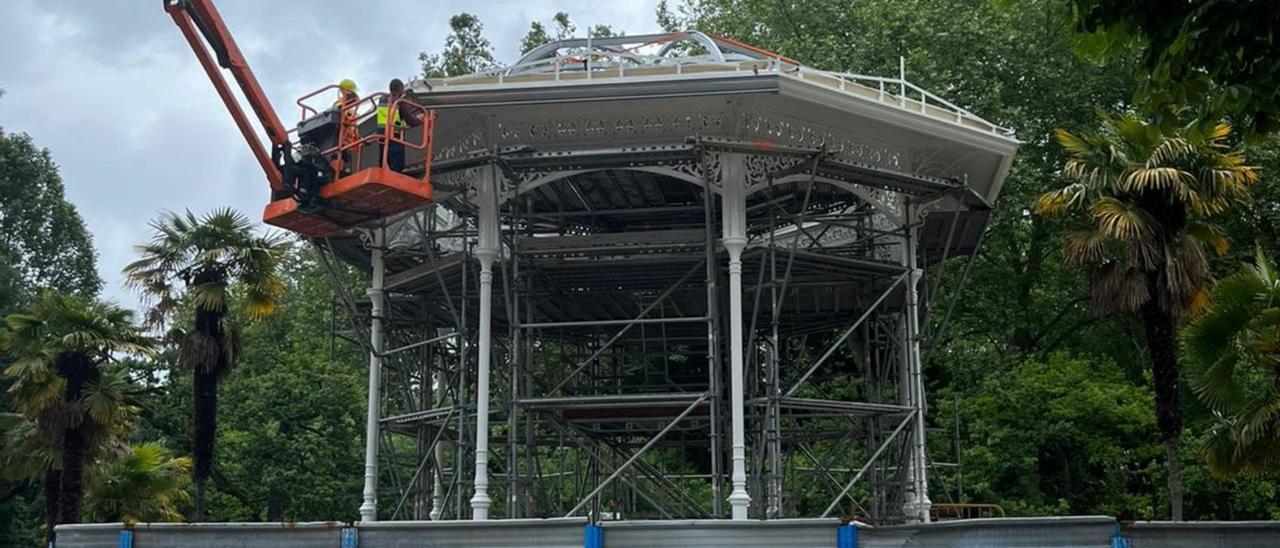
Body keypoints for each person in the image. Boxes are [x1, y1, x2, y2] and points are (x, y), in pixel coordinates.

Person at [376, 78, 424, 173]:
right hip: (394, 135)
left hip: (382, 134)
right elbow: (411, 121)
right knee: (397, 164)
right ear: (400, 88)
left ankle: (383, 174)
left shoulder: (383, 99)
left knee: (384, 159)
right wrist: (420, 119)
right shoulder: (399, 102)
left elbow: (394, 119)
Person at [332, 78, 360, 174]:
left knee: (346, 172)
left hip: (347, 147)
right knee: (339, 171)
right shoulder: (339, 105)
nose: (355, 96)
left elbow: (353, 128)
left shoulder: (351, 110)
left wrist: (361, 139)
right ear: (347, 92)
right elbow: (339, 112)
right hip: (339, 146)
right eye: (353, 93)